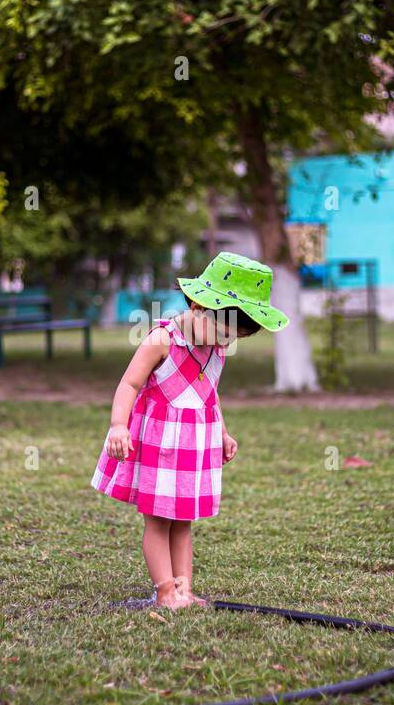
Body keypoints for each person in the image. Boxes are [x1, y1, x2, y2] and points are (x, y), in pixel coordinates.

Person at [91, 252, 289, 608]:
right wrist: (118, 425)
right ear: (198, 306)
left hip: (194, 444)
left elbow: (208, 393)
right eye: (224, 332)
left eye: (233, 338)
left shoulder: (216, 347)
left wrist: (223, 432)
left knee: (183, 521)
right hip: (159, 443)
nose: (225, 343)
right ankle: (165, 591)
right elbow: (129, 385)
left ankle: (184, 590)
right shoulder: (162, 339)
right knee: (158, 522)